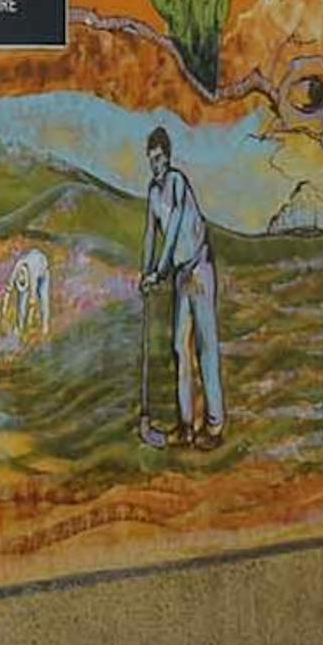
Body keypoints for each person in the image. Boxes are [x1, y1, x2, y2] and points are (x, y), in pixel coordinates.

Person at [137, 125, 224, 448]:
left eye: (159, 159)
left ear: (168, 157)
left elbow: (172, 230)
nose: (156, 166)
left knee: (205, 346)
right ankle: (187, 425)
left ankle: (214, 426)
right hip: (180, 276)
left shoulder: (176, 181)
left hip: (199, 268)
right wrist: (144, 271)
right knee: (179, 347)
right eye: (151, 160)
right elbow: (151, 234)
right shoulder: (153, 190)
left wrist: (158, 273)